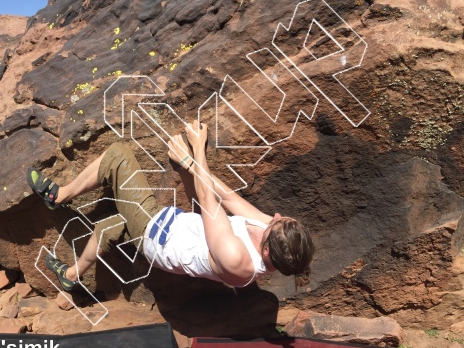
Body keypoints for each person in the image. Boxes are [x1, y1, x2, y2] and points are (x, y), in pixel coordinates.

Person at [27, 121, 314, 292]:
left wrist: (196, 148)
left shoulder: (237, 260)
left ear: (267, 252)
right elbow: (228, 198)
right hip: (170, 224)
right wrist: (188, 166)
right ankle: (70, 277)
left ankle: (59, 196)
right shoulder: (275, 236)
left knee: (118, 155)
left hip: (157, 236)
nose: (274, 216)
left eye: (276, 221)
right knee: (108, 228)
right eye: (279, 217)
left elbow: (208, 203)